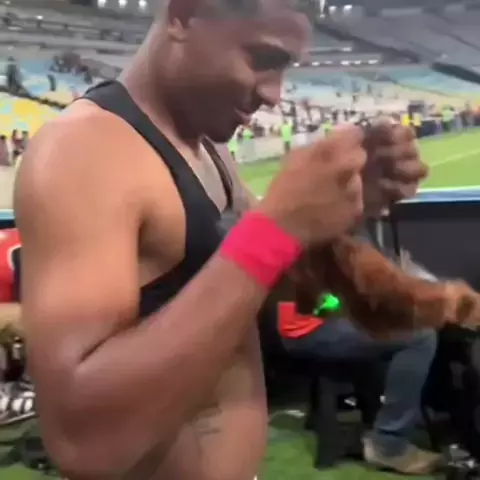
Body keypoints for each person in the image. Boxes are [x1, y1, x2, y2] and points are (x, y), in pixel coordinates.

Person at [14, 1, 427, 479]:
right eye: (263, 59)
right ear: (184, 16)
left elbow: (266, 282)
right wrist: (274, 231)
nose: (274, 94)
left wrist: (346, 205)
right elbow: (82, 441)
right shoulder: (84, 150)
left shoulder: (209, 147)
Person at [280, 249, 439, 474]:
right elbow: (332, 297)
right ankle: (388, 444)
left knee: (409, 325)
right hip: (308, 329)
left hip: (320, 319)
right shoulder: (321, 240)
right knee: (420, 337)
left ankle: (395, 425)